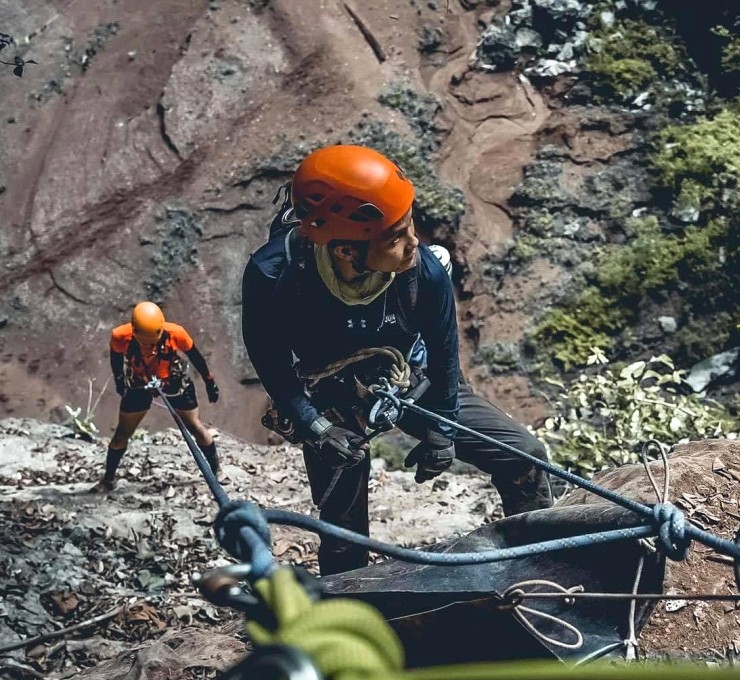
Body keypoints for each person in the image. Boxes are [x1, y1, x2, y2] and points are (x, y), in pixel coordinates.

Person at [241, 144, 552, 575]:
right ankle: (347, 608)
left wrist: (442, 431)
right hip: (329, 392)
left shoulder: (424, 272)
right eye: (396, 236)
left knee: (524, 454)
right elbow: (271, 361)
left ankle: (538, 565)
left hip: (411, 373)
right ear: (346, 250)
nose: (414, 244)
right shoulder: (274, 275)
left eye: (409, 227)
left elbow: (445, 359)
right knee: (343, 527)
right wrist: (316, 425)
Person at [94, 301, 221, 491]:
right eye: (144, 343)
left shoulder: (175, 333)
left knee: (195, 427)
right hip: (139, 382)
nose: (149, 347)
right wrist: (120, 381)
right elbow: (116, 360)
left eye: (152, 342)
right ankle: (108, 479)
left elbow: (195, 356)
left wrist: (209, 381)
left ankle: (215, 472)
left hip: (173, 381)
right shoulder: (120, 336)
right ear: (135, 333)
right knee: (121, 434)